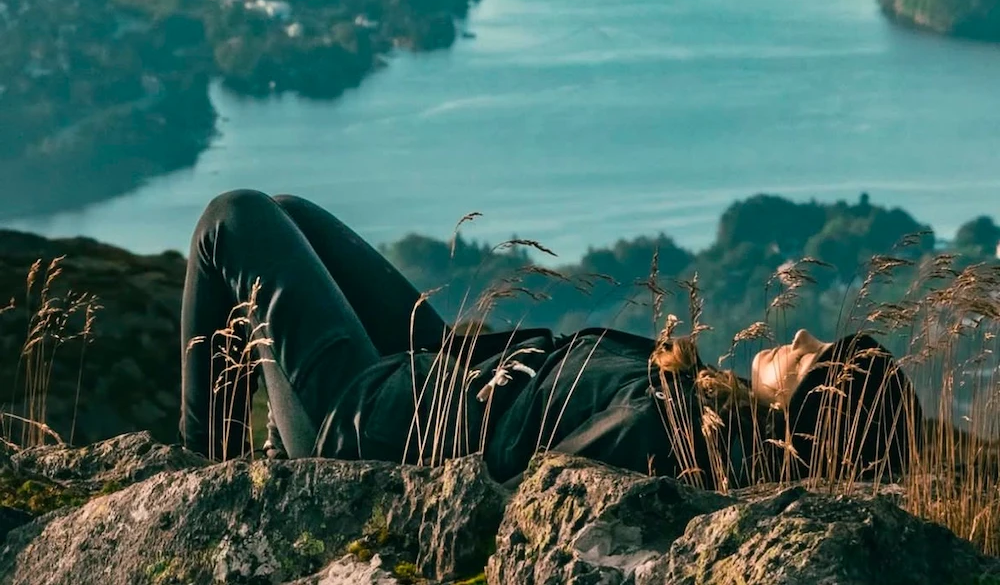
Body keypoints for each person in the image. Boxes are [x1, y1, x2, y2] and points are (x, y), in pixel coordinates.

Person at [179, 190, 923, 489]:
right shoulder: (695, 404)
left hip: (369, 422)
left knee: (232, 220)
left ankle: (195, 473)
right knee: (286, 211)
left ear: (815, 405)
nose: (798, 333)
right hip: (439, 371)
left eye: (814, 356)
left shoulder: (683, 446)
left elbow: (529, 478)